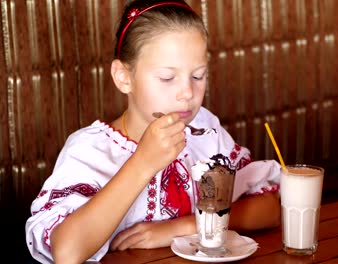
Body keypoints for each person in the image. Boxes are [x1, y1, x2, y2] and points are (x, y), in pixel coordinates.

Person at [25, 0, 281, 263]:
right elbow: (67, 253)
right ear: (124, 77)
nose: (187, 93)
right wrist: (143, 162)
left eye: (198, 76)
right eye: (167, 78)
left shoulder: (204, 131)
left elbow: (270, 209)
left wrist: (182, 227)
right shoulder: (90, 150)